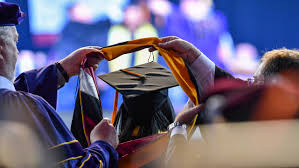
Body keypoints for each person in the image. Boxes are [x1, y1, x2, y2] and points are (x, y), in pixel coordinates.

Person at [0, 2, 119, 167]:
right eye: (15, 42)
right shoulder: (27, 106)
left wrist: (61, 70)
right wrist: (103, 145)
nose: (17, 52)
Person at [150, 36, 299, 167]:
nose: (244, 87)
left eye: (252, 82)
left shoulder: (249, 146)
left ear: (271, 90)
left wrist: (178, 129)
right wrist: (193, 56)